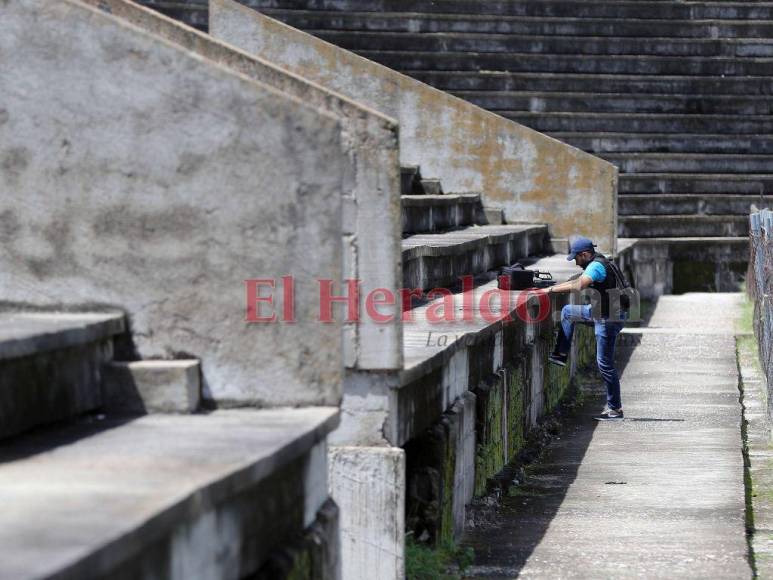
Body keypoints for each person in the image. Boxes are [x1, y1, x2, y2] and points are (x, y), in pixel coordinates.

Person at [545, 236, 627, 421]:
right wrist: (553, 287)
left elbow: (578, 285)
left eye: (576, 258)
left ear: (584, 254)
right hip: (605, 312)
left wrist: (549, 291)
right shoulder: (601, 261)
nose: (575, 262)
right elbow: (577, 282)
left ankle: (615, 409)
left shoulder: (596, 267)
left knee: (605, 364)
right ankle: (560, 355)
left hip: (607, 319)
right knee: (568, 312)